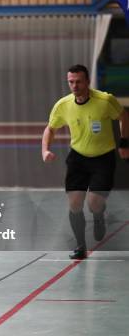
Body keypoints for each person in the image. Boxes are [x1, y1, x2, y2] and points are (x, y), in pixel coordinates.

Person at [42, 64, 129, 259]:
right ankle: (80, 246)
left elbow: (124, 117)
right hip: (78, 158)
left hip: (103, 158)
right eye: (71, 82)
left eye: (78, 81)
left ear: (88, 82)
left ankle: (98, 216)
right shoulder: (63, 105)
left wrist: (124, 143)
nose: (74, 85)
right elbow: (50, 129)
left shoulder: (105, 100)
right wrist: (45, 150)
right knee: (74, 204)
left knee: (94, 203)